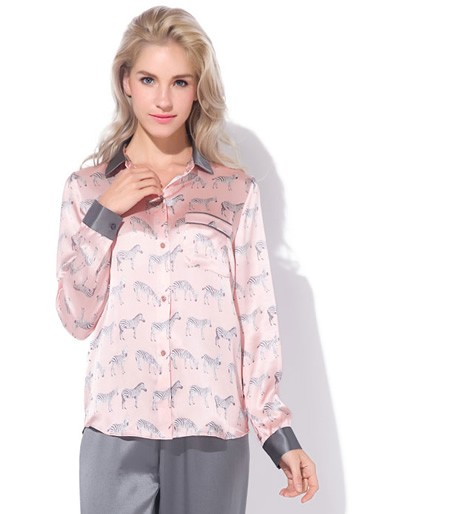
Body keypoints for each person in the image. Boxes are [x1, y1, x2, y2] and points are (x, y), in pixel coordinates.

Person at [56, 6, 318, 514]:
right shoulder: (86, 188)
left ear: (198, 89)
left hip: (211, 432)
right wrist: (106, 212)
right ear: (126, 82)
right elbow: (76, 317)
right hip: (116, 431)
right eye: (148, 79)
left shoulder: (234, 192)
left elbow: (257, 321)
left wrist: (278, 435)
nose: (163, 99)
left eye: (180, 82)